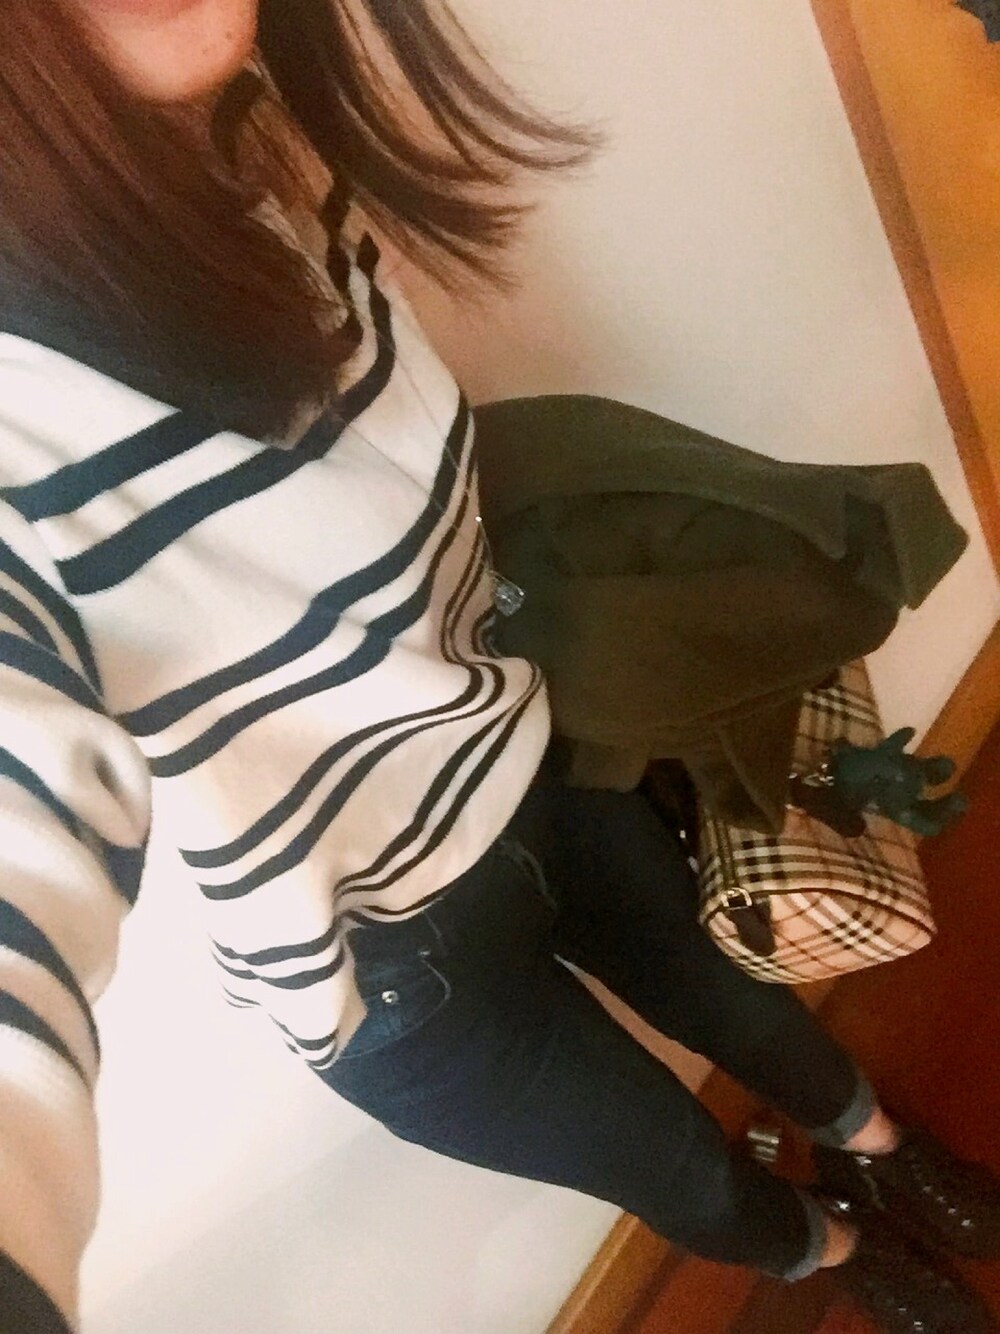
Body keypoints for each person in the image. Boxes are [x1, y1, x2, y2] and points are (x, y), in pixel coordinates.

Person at [0, 4, 996, 1332]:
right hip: (383, 968)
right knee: (683, 1173)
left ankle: (881, 1151)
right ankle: (834, 1249)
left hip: (533, 767)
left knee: (747, 1006)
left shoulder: (256, 154)